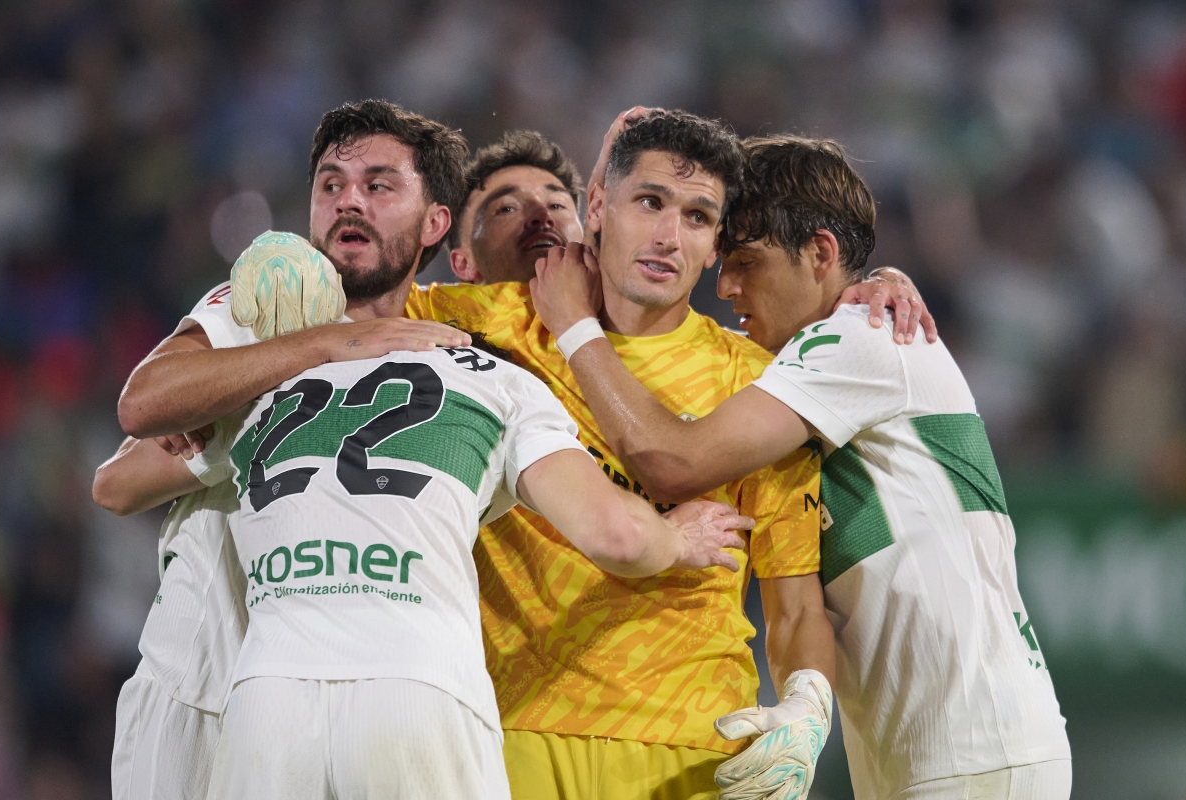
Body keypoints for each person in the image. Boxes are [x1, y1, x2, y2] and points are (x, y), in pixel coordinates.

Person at [97, 233, 754, 799]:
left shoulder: (278, 374)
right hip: (419, 687)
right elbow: (615, 534)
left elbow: (119, 478)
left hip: (266, 693)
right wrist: (672, 537)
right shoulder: (506, 383)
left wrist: (210, 408)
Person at [529, 133, 1072, 800]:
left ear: (819, 253)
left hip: (972, 748)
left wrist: (574, 325)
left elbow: (672, 461)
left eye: (747, 263)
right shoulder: (843, 342)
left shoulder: (861, 337)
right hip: (944, 752)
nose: (725, 287)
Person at [98, 101, 474, 800]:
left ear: (435, 222)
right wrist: (319, 348)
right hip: (198, 691)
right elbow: (123, 464)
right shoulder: (270, 302)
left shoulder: (444, 356)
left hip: (350, 698)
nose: (348, 202)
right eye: (330, 185)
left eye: (378, 185)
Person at [447, 130, 585, 284]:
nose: (542, 215)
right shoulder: (420, 305)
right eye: (507, 208)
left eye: (556, 205)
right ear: (464, 263)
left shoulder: (615, 304)